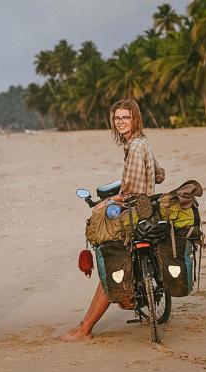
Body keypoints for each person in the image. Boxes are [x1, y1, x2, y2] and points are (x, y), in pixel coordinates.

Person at [61, 99, 163, 341]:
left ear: (135, 118)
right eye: (117, 118)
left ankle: (85, 329)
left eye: (125, 117)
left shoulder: (135, 147)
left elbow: (131, 191)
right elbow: (159, 174)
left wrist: (107, 201)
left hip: (136, 210)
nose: (120, 122)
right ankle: (116, 304)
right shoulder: (142, 142)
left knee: (110, 259)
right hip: (147, 207)